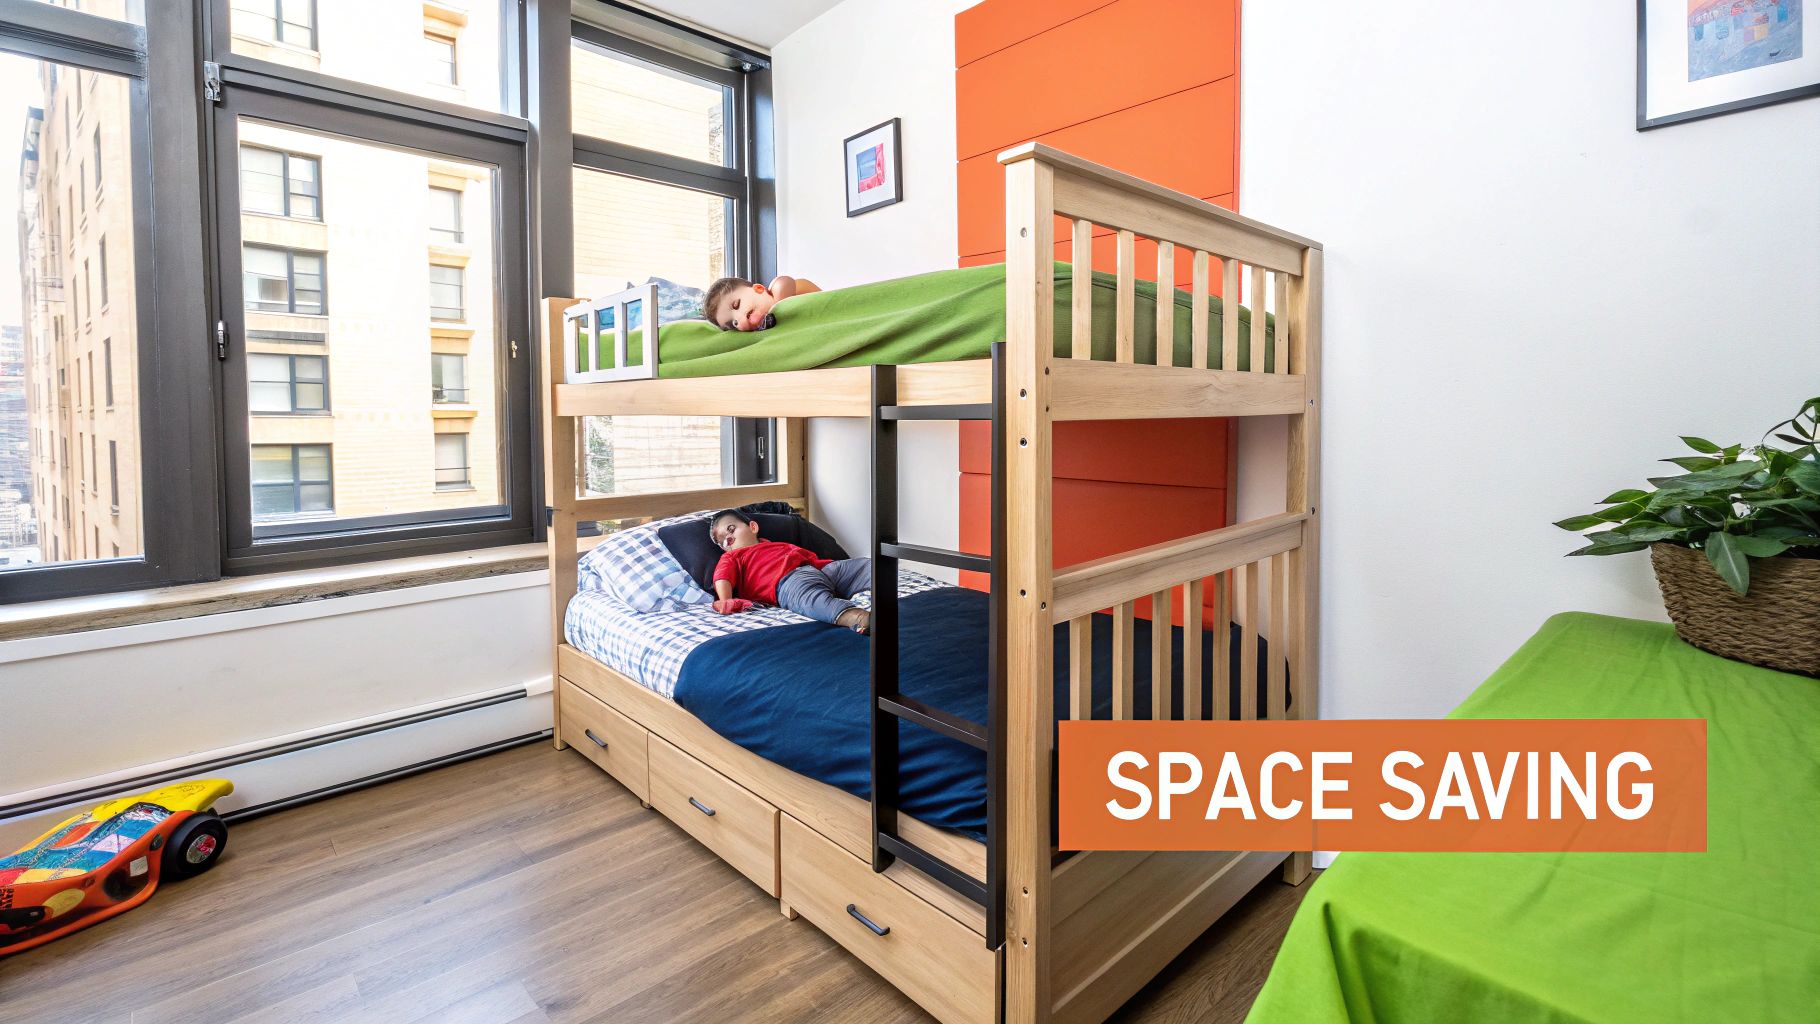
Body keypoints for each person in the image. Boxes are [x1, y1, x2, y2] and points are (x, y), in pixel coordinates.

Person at [707, 509, 871, 634]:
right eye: (722, 542)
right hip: (786, 582)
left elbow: (806, 556)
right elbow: (722, 576)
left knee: (864, 566)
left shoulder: (775, 545)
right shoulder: (733, 557)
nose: (728, 539)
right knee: (811, 600)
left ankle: (889, 574)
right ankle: (856, 617)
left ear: (753, 527)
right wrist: (726, 600)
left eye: (731, 529)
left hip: (821, 570)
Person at [704, 274, 821, 332]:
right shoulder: (763, 330)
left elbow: (785, 282)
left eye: (737, 305)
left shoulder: (775, 290)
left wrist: (777, 306)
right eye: (733, 323)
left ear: (759, 289)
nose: (739, 318)